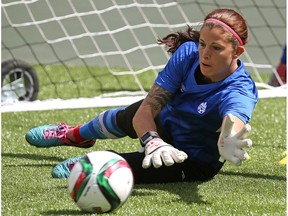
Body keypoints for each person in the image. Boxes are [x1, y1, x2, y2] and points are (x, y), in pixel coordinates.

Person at [25, 8, 258, 184]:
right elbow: (145, 112)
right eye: (203, 44)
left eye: (216, 48)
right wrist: (152, 141)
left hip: (191, 159)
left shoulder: (240, 89)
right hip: (165, 124)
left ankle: (93, 162)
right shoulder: (188, 54)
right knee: (129, 115)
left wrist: (228, 138)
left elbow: (234, 118)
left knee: (127, 168)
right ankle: (75, 135)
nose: (205, 54)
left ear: (237, 51)